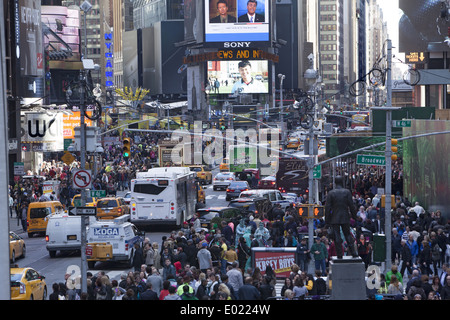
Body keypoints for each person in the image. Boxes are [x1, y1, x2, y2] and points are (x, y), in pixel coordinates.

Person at [324, 176, 358, 259]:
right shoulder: (347, 192)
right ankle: (353, 252)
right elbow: (351, 206)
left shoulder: (331, 193)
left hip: (334, 217)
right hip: (345, 216)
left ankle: (339, 254)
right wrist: (354, 217)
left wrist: (327, 221)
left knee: (337, 236)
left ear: (335, 183)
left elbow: (327, 208)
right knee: (347, 234)